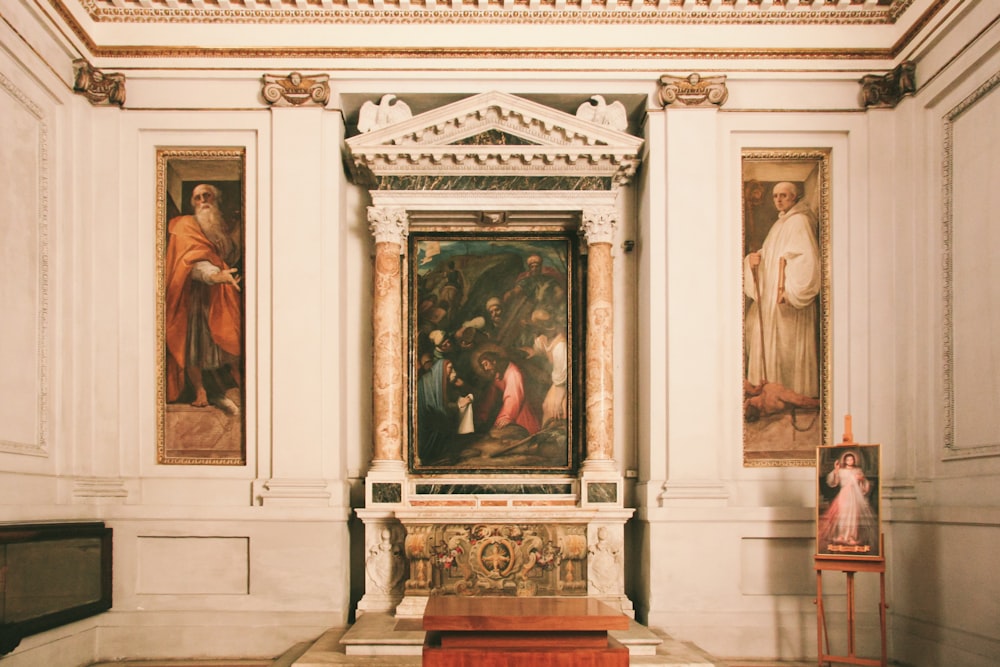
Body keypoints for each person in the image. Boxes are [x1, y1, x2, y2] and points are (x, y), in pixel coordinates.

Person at [164, 183, 242, 413]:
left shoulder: (219, 224)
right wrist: (215, 276)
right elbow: (191, 259)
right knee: (195, 344)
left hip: (221, 292)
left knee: (230, 334)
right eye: (197, 197)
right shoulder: (186, 225)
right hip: (194, 294)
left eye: (207, 196)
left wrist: (225, 274)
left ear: (216, 199)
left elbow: (228, 253)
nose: (202, 201)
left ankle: (240, 380)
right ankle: (200, 390)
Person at [744, 181, 821, 399]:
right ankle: (769, 391)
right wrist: (753, 260)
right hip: (771, 298)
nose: (778, 200)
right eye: (776, 196)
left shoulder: (799, 221)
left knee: (787, 346)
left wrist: (791, 291)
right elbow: (769, 254)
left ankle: (792, 393)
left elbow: (807, 259)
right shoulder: (780, 224)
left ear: (794, 198)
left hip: (786, 301)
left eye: (784, 196)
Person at [819, 451, 877, 550]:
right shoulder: (841, 471)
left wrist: (861, 479)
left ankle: (851, 536)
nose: (849, 461)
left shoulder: (858, 470)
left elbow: (865, 484)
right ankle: (842, 535)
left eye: (851, 459)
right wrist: (836, 470)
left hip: (854, 496)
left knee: (853, 516)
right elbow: (834, 482)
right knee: (842, 515)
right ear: (845, 461)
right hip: (844, 495)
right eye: (847, 459)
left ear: (854, 460)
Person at [478, 351, 540, 435]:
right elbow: (490, 397)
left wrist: (506, 417)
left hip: (519, 413)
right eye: (483, 366)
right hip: (508, 411)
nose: (485, 368)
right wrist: (482, 415)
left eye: (486, 364)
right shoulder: (497, 373)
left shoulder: (513, 372)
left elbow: (513, 397)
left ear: (494, 361)